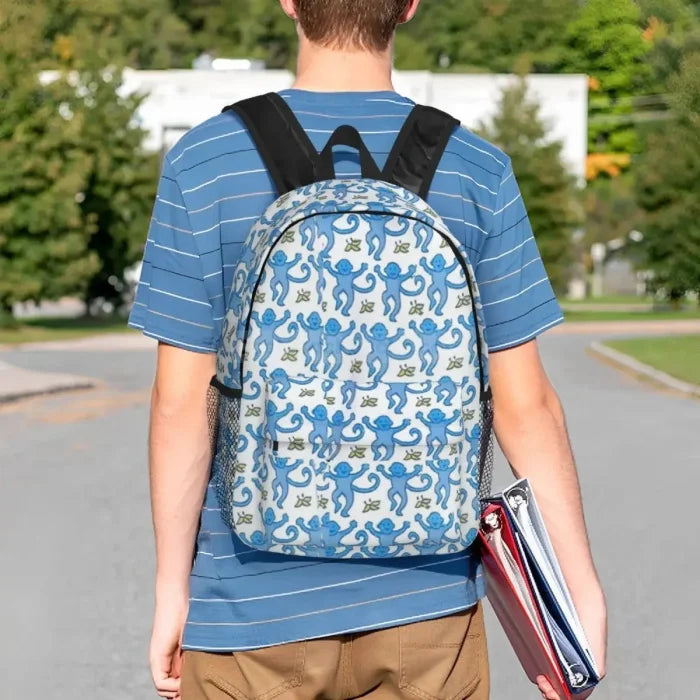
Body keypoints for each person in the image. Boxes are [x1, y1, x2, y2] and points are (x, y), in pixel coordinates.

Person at [128, 1, 607, 698]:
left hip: (248, 609)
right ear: (409, 5)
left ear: (290, 2)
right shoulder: (476, 169)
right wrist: (576, 592)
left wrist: (174, 590)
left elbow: (180, 402)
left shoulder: (204, 163)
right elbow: (525, 404)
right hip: (428, 608)